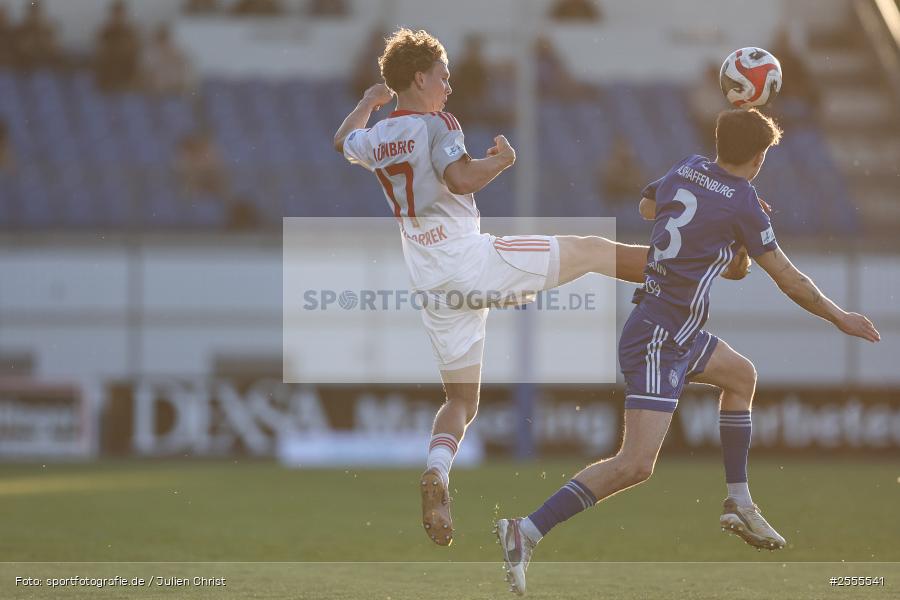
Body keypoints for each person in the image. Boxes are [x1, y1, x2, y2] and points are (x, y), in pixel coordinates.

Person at [495, 108, 881, 595]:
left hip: (676, 328)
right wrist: (839, 316)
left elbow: (647, 208)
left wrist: (720, 234)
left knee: (741, 376)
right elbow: (788, 278)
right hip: (660, 335)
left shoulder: (688, 167)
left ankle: (738, 501)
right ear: (759, 158)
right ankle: (527, 530)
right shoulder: (745, 204)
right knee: (635, 464)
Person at [333, 28, 650, 547]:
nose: (449, 86)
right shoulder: (438, 123)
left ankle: (437, 469)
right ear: (420, 78)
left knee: (461, 399)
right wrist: (500, 162)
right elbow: (460, 178)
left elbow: (342, 140)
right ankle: (684, 267)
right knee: (592, 249)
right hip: (469, 261)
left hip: (430, 283)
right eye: (443, 76)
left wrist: (369, 101)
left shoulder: (377, 137)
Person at [94, 0, 141, 92]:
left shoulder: (130, 31)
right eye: (115, 14)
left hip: (126, 68)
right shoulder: (105, 31)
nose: (118, 17)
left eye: (120, 14)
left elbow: (135, 48)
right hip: (109, 69)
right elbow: (99, 48)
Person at [143, 24, 193, 95]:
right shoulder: (151, 53)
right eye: (161, 39)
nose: (164, 43)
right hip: (158, 90)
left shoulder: (175, 52)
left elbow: (185, 67)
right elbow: (148, 72)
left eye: (165, 39)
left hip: (175, 88)